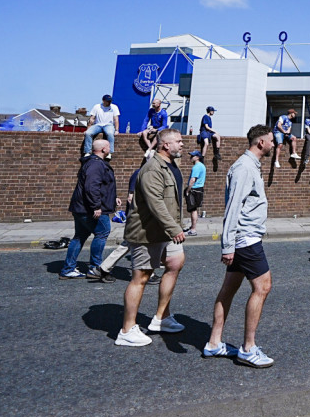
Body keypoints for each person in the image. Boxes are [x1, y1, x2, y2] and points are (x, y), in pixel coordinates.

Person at [204, 125, 276, 367]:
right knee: (263, 287)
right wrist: (227, 245)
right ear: (261, 143)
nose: (274, 145)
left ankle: (214, 343)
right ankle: (248, 348)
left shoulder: (250, 166)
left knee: (229, 289)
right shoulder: (244, 167)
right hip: (246, 239)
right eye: (271, 141)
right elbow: (233, 206)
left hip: (242, 238)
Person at [116, 128, 187, 347]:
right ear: (165, 145)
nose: (182, 144)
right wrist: (174, 228)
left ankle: (161, 318)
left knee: (175, 263)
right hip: (147, 232)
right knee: (142, 276)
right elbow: (155, 202)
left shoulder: (171, 166)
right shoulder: (152, 169)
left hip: (164, 231)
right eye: (179, 141)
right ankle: (127, 330)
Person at [60, 139, 120, 279]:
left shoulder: (92, 163)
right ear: (103, 149)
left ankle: (68, 269)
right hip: (91, 209)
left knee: (80, 236)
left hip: (81, 208)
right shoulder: (96, 164)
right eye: (109, 146)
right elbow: (91, 187)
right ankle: (95, 268)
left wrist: (113, 198)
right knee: (102, 233)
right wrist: (96, 206)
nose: (110, 149)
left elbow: (102, 185)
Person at [185, 150, 206, 236]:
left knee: (193, 210)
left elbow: (193, 180)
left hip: (194, 190)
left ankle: (193, 230)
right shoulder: (202, 166)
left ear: (197, 157)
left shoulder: (196, 167)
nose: (190, 157)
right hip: (199, 189)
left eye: (192, 156)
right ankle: (192, 227)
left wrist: (187, 190)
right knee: (195, 210)